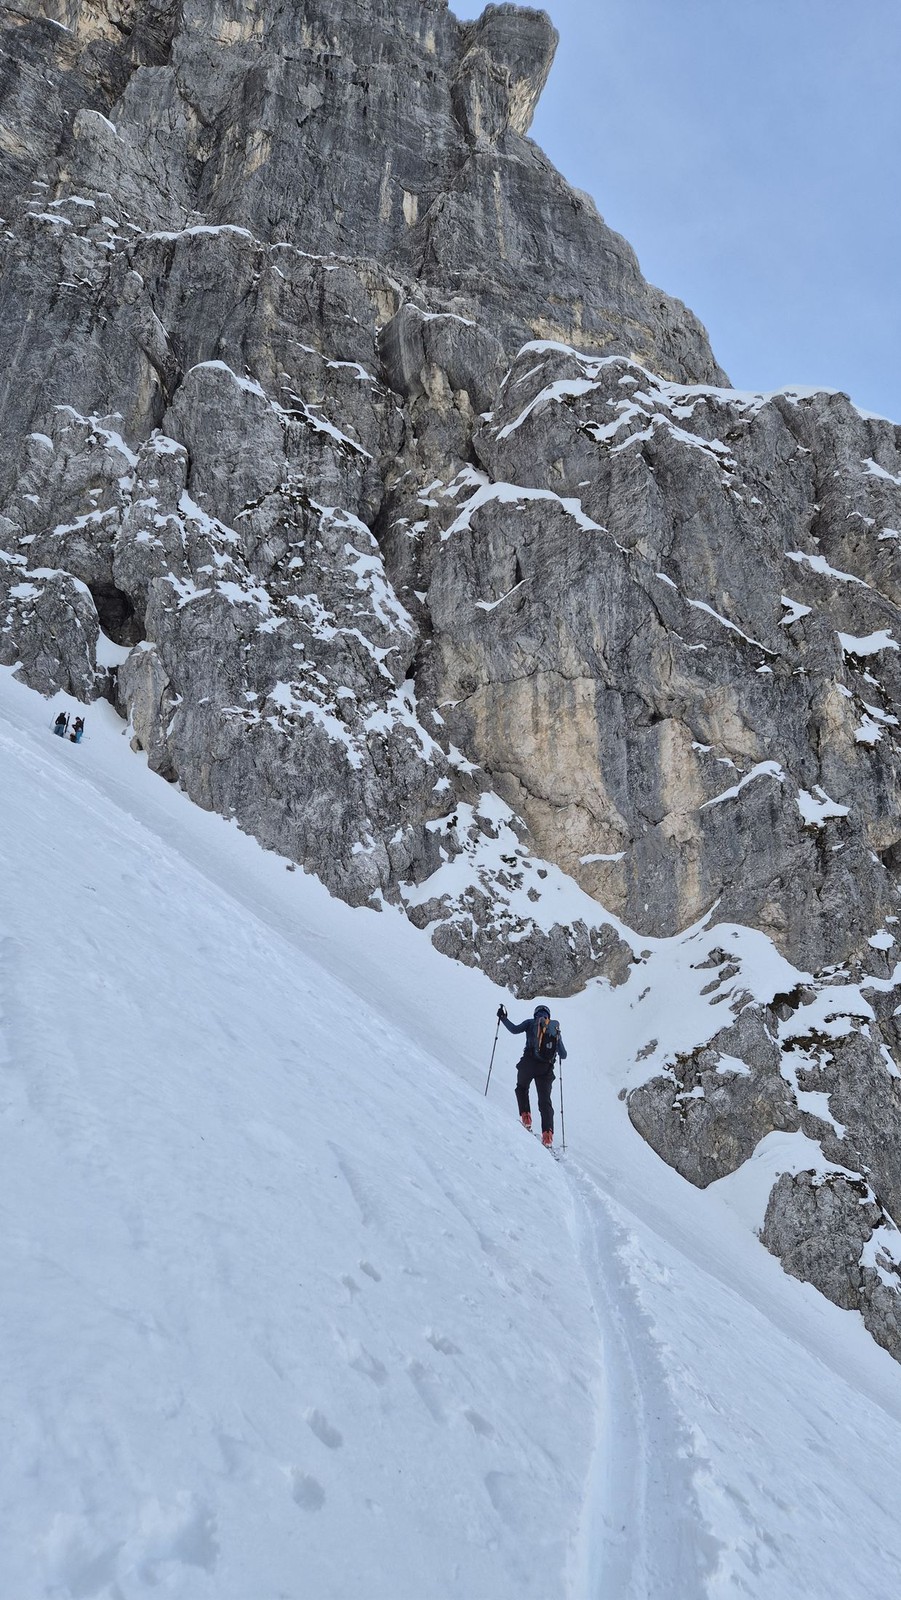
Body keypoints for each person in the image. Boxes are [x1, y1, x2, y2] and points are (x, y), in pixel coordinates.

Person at [496, 1003, 566, 1147]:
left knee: (521, 1088)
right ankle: (547, 1135)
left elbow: (514, 1030)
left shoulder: (530, 1023)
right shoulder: (554, 1030)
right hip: (546, 1069)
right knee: (545, 1101)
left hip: (528, 1063)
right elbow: (564, 1055)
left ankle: (526, 1117)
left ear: (536, 1014)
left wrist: (503, 1018)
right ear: (548, 1016)